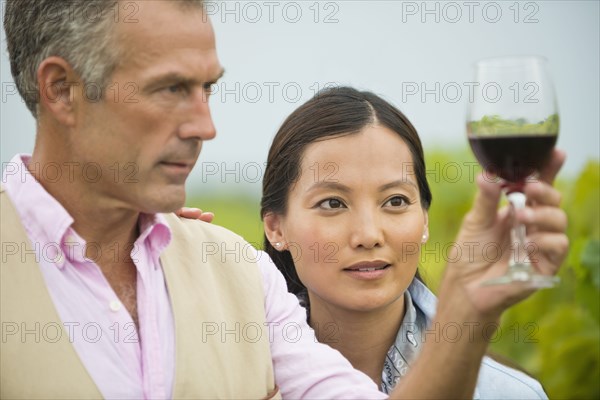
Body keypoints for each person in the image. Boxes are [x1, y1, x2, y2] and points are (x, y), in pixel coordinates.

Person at [0, 1, 567, 399]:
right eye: (171, 88)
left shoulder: (239, 275)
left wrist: (465, 313)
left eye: (209, 89)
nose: (206, 125)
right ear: (61, 90)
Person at [259, 87, 567, 398]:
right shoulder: (237, 375)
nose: (369, 235)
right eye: (332, 204)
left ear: (425, 219)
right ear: (276, 228)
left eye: (395, 200)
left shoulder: (507, 394)